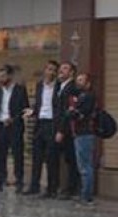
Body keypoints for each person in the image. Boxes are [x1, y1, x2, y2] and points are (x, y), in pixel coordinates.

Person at [0, 65, 29, 193]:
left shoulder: (20, 90)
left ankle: (19, 181)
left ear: (10, 76)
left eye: (3, 76)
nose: (1, 79)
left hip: (15, 126)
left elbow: (25, 109)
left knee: (17, 154)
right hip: (0, 125)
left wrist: (14, 118)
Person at [23, 61, 59, 196]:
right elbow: (38, 105)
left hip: (51, 123)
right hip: (40, 122)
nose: (51, 72)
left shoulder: (58, 87)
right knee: (36, 156)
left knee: (51, 158)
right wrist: (32, 112)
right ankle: (34, 185)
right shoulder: (39, 86)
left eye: (54, 70)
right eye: (49, 69)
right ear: (45, 70)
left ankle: (51, 188)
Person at [68, 73, 98, 205]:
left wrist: (72, 111)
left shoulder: (87, 96)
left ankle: (86, 195)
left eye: (81, 80)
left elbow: (80, 114)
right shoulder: (81, 96)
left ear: (88, 84)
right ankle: (85, 193)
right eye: (77, 80)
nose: (78, 82)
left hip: (84, 133)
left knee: (85, 166)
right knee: (84, 165)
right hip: (80, 133)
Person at [54, 62, 80, 200]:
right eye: (61, 68)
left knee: (71, 159)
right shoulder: (60, 87)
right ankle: (63, 187)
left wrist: (61, 130)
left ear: (71, 73)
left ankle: (72, 188)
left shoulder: (72, 88)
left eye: (65, 69)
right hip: (58, 127)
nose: (61, 71)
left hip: (68, 130)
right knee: (64, 159)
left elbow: (68, 112)